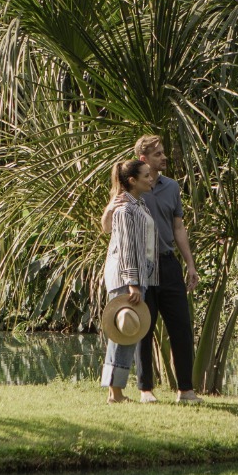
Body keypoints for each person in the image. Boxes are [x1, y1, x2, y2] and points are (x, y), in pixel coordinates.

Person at [104, 134, 198, 403]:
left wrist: (190, 264)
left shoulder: (170, 188)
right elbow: (114, 233)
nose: (164, 157)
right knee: (140, 328)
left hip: (167, 263)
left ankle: (186, 390)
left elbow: (179, 228)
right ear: (143, 161)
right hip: (141, 268)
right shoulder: (128, 197)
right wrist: (133, 280)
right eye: (158, 154)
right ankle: (144, 390)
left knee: (180, 324)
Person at [101, 157, 157, 402]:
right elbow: (125, 248)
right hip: (126, 277)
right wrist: (133, 282)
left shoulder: (138, 205)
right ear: (132, 181)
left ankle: (116, 390)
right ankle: (115, 391)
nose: (151, 178)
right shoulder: (125, 209)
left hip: (135, 276)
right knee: (122, 331)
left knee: (128, 332)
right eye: (145, 175)